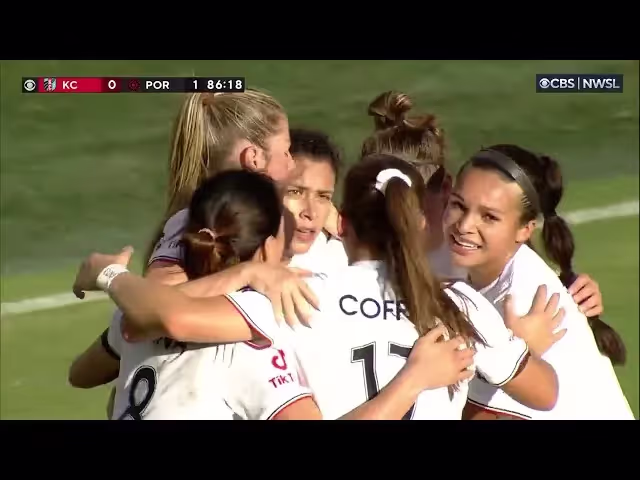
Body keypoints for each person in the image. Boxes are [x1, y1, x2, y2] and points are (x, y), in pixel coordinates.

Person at [73, 155, 566, 420]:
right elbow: (545, 394)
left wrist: (112, 276)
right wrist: (515, 345)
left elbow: (168, 317)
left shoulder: (296, 297)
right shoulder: (461, 306)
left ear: (341, 223)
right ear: (418, 224)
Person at [360, 90, 606, 316]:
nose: (400, 221)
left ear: (445, 189)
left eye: (411, 206)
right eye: (385, 208)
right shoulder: (356, 245)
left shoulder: (490, 264)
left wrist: (568, 292)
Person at [443, 144, 633, 419]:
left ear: (525, 230)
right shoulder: (466, 260)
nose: (464, 226)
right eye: (458, 205)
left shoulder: (524, 303)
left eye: (489, 217)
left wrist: (512, 353)